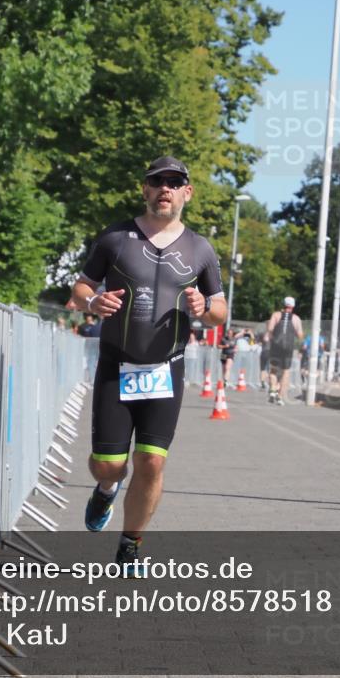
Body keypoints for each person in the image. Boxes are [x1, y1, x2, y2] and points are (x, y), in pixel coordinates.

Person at [69, 156, 226, 572]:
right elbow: (81, 286)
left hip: (165, 367)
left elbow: (220, 310)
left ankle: (131, 544)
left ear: (187, 193)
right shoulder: (116, 237)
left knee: (152, 460)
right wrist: (91, 301)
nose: (165, 189)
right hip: (116, 364)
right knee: (109, 463)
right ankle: (106, 487)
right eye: (157, 181)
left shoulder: (200, 249)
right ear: (145, 189)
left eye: (175, 183)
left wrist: (204, 305)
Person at [265, 296, 303, 405]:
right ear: (293, 306)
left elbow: (270, 329)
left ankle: (272, 390)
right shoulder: (296, 319)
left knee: (273, 369)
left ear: (283, 304)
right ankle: (280, 396)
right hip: (288, 347)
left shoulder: (276, 315)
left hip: (276, 345)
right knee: (286, 372)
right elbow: (300, 335)